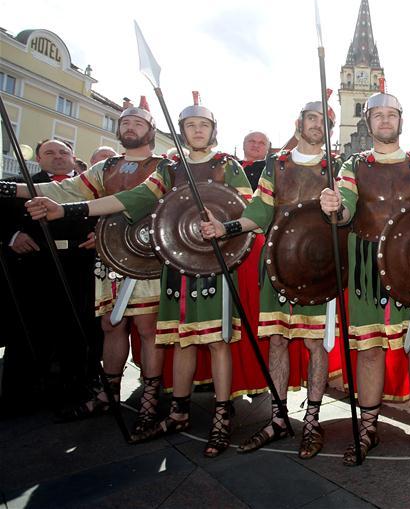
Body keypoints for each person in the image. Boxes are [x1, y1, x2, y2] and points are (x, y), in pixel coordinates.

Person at [26, 92, 252, 456]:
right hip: (177, 263)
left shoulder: (228, 164)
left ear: (214, 131)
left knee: (217, 340)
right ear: (181, 131)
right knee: (180, 338)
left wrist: (225, 226)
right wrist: (70, 211)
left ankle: (222, 417)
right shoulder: (169, 167)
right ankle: (177, 410)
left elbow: (247, 208)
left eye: (204, 125)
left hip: (215, 263)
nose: (197, 130)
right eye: (191, 125)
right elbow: (131, 200)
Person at [1, 97, 166, 433]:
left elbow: (137, 200)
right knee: (110, 325)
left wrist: (69, 210)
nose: (129, 126)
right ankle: (109, 393)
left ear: (150, 130)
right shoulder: (104, 168)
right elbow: (63, 189)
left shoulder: (165, 166)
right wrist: (6, 187)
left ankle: (150, 399)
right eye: (124, 122)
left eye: (137, 122)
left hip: (147, 256)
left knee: (148, 330)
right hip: (109, 257)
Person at [320, 82, 410, 465]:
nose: (385, 120)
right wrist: (334, 207)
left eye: (391, 114)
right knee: (370, 349)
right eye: (378, 114)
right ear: (368, 120)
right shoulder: (353, 164)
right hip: (367, 268)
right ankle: (368, 428)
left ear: (400, 121)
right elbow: (345, 209)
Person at [200, 98, 340, 458]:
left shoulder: (336, 166)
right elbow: (259, 211)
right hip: (277, 262)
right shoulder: (275, 165)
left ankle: (311, 420)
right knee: (277, 340)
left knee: (314, 344)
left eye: (323, 121)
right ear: (299, 123)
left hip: (318, 266)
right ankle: (278, 418)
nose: (315, 125)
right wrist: (226, 227)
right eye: (311, 118)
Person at [0, 139, 96, 414]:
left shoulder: (90, 187)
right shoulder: (18, 185)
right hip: (33, 269)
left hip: (79, 267)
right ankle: (18, 396)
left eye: (63, 152)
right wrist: (12, 235)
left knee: (76, 331)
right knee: (28, 331)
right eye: (50, 153)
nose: (58, 157)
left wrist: (100, 234)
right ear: (39, 159)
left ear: (74, 157)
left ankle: (74, 393)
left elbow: (109, 215)